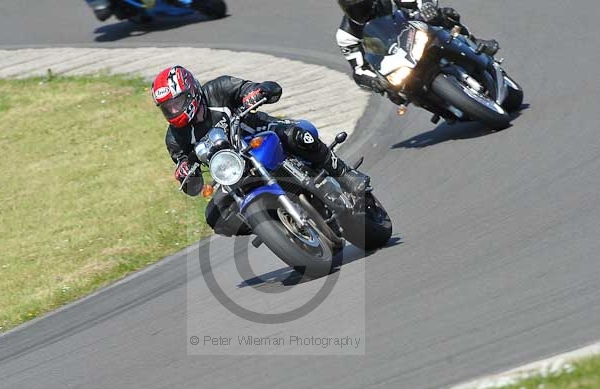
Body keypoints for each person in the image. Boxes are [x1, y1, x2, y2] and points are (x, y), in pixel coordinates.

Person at [152, 65, 371, 236]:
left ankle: (345, 174)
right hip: (234, 171)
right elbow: (190, 182)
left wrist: (255, 92)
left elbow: (260, 88)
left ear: (190, 91)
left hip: (260, 134)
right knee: (215, 216)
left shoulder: (218, 88)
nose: (173, 110)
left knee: (298, 135)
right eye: (167, 108)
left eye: (176, 102)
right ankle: (270, 224)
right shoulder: (174, 138)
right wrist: (184, 171)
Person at [336, 0, 500, 95]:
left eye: (362, 5)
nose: (360, 11)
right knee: (398, 94)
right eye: (353, 9)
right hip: (393, 62)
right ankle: (437, 103)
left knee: (445, 15)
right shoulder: (345, 35)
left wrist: (427, 6)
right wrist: (374, 82)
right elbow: (358, 69)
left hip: (414, 31)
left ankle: (473, 40)